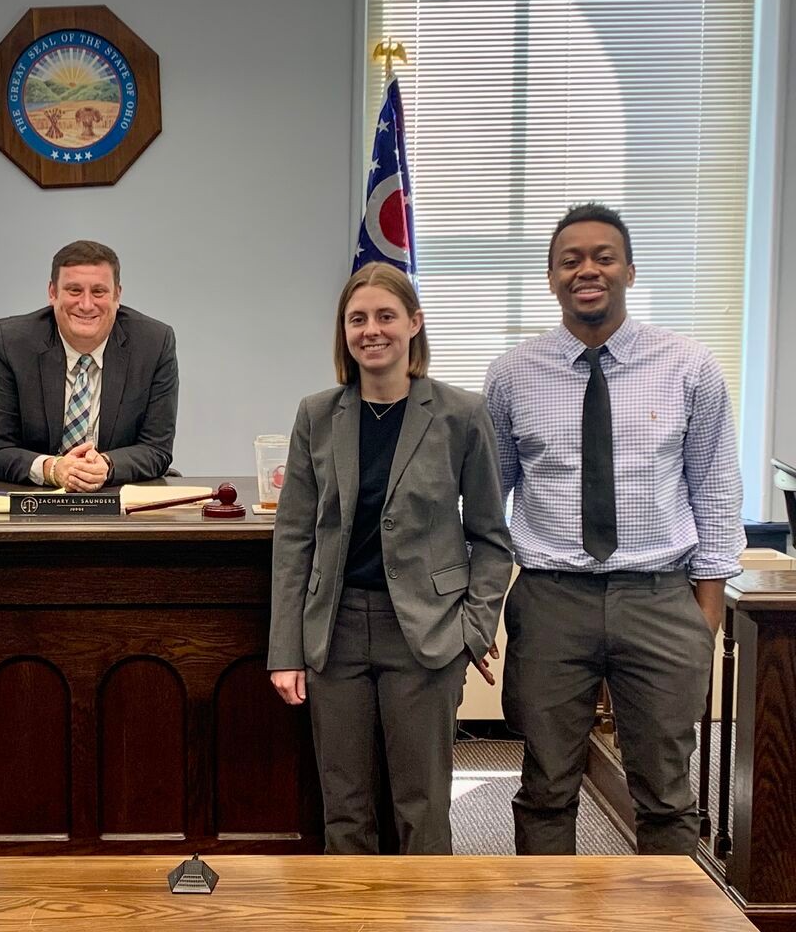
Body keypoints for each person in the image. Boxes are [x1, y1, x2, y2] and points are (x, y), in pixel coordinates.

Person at [484, 202, 745, 855]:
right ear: (551, 278)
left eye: (603, 255)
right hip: (551, 601)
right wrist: (480, 608)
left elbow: (715, 489)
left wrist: (702, 617)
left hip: (658, 599)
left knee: (665, 796)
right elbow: (488, 502)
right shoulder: (513, 374)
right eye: (570, 260)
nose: (587, 269)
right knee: (545, 788)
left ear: (629, 268)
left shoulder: (689, 367)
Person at [268, 262, 513, 854]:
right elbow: (295, 536)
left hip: (426, 636)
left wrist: (471, 632)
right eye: (358, 319)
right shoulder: (318, 415)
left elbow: (491, 536)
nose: (371, 330)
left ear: (414, 323)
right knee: (345, 808)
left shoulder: (460, 414)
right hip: (336, 630)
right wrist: (286, 650)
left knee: (421, 805)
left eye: (385, 316)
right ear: (343, 333)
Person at [0, 240, 178, 489]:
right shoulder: (11, 344)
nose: (86, 305)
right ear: (53, 293)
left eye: (98, 292)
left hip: (118, 497)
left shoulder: (154, 344)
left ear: (117, 295)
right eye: (74, 291)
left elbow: (156, 449)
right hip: (35, 501)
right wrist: (53, 468)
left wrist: (106, 465)